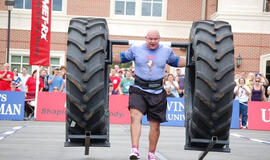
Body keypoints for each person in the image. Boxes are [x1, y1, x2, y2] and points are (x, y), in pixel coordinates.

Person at [113, 30, 186, 160]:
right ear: (145, 38)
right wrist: (102, 54)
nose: (152, 41)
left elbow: (176, 61)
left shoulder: (166, 51)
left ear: (159, 39)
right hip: (139, 89)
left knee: (155, 125)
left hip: (157, 91)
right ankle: (134, 149)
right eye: (150, 39)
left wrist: (197, 58)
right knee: (135, 116)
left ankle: (151, 153)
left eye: (155, 39)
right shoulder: (135, 49)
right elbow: (121, 58)